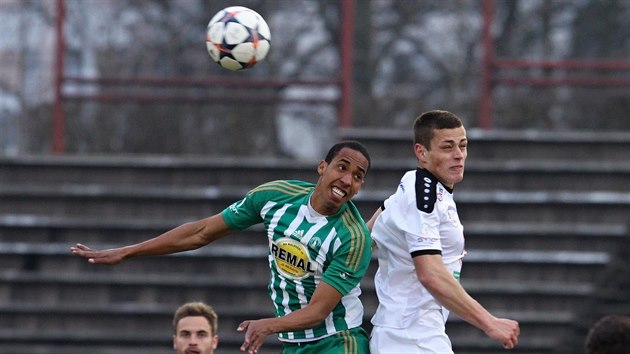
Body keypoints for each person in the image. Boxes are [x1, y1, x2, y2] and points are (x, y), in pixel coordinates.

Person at [71, 140, 373, 354]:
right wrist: (127, 251)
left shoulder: (353, 238)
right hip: (293, 343)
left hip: (337, 341)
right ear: (323, 167)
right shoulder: (275, 196)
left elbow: (319, 311)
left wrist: (268, 325)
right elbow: (202, 232)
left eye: (357, 177)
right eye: (341, 168)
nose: (347, 179)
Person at [366, 110, 520, 353]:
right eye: (448, 147)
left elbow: (364, 240)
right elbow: (429, 273)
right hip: (410, 337)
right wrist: (489, 323)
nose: (459, 155)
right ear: (421, 152)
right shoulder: (421, 198)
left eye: (463, 145)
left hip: (409, 333)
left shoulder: (414, 186)